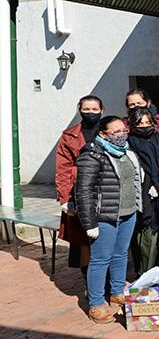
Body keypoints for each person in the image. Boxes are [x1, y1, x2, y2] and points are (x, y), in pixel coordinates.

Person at [75, 116, 143, 323]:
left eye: (123, 130)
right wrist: (89, 223)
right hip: (104, 216)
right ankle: (95, 303)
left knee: (121, 254)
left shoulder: (127, 152)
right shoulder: (92, 155)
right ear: (102, 134)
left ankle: (116, 291)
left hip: (128, 212)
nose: (121, 135)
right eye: (115, 132)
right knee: (100, 259)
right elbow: (83, 191)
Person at [56, 95, 103, 280]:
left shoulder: (108, 130)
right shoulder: (70, 136)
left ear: (102, 110)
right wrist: (65, 198)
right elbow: (63, 168)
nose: (90, 113)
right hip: (79, 192)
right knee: (83, 241)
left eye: (94, 109)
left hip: (106, 192)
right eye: (86, 109)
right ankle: (87, 281)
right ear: (79, 110)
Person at [127, 107, 159, 274]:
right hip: (141, 194)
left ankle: (157, 269)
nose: (145, 126)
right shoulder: (130, 142)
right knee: (144, 232)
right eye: (140, 123)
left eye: (148, 122)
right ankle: (144, 272)